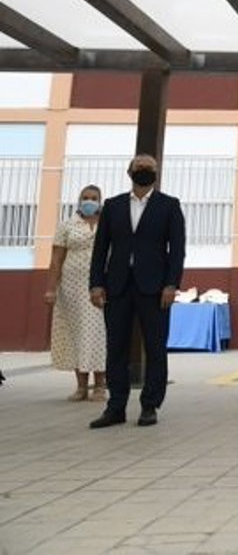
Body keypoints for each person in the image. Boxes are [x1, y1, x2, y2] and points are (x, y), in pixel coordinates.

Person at [88, 154, 186, 429]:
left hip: (155, 288)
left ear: (156, 173)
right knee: (115, 347)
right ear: (129, 172)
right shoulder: (113, 205)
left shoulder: (169, 205)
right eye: (139, 167)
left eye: (149, 168)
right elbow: (100, 248)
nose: (144, 171)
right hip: (117, 285)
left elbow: (177, 249)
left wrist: (171, 284)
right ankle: (115, 407)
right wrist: (96, 283)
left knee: (155, 347)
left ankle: (149, 405)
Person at [46, 185, 108, 401]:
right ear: (79, 200)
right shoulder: (67, 225)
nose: (89, 201)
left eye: (94, 198)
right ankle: (81, 387)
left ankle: (100, 386)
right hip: (71, 287)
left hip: (99, 286)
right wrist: (51, 289)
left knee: (99, 333)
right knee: (76, 333)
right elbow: (56, 260)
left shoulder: (107, 223)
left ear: (100, 201)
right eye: (85, 197)